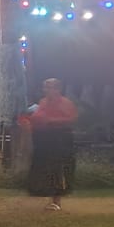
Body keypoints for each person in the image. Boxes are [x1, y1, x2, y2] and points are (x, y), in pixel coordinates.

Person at [25, 78, 78, 210]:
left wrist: (51, 121)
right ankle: (46, 194)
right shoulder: (43, 102)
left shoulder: (66, 103)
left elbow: (71, 119)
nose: (46, 90)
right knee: (44, 167)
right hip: (44, 139)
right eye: (45, 87)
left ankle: (56, 200)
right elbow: (39, 117)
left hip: (60, 139)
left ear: (58, 89)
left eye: (50, 87)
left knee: (57, 168)